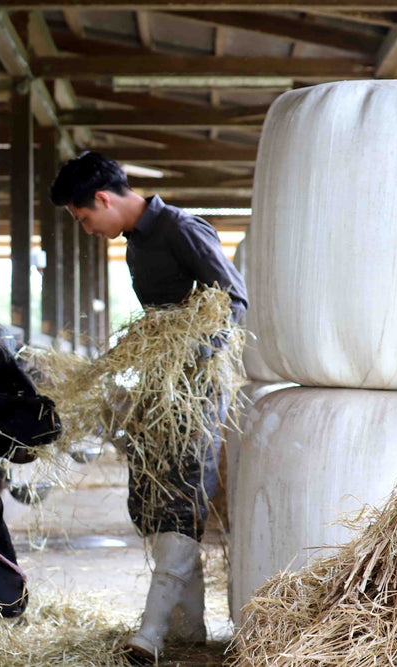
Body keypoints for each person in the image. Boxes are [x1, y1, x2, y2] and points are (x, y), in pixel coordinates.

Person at [50, 151, 248, 661]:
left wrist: (189, 353)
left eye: (84, 218)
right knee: (149, 496)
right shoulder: (136, 242)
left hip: (195, 387)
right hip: (157, 388)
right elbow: (160, 316)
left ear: (102, 198)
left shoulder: (182, 228)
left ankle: (151, 633)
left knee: (182, 493)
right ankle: (188, 628)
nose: (88, 229)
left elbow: (234, 300)